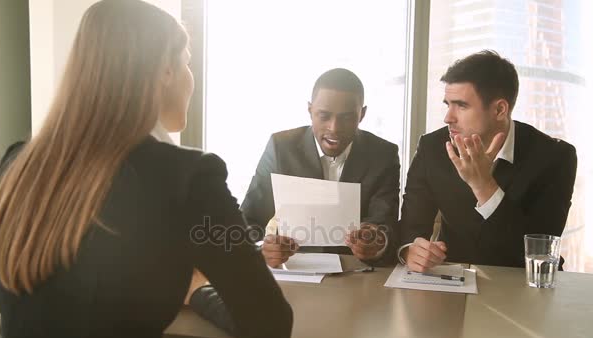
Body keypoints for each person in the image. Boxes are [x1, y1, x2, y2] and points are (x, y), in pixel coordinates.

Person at [0, 1, 292, 338]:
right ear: (165, 71)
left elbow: (10, 296)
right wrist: (197, 291)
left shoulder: (20, 162)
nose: (192, 79)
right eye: (187, 63)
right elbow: (270, 322)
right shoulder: (189, 178)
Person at [398, 50, 577, 272]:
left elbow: (539, 251)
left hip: (525, 285)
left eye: (461, 105)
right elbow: (411, 226)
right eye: (447, 104)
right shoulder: (432, 148)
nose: (448, 118)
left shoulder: (555, 157)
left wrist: (484, 185)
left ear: (500, 109)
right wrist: (410, 249)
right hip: (453, 277)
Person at [241, 68, 401, 267]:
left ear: (362, 114)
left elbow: (385, 223)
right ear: (310, 111)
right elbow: (249, 218)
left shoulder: (383, 155)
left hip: (358, 271)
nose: (334, 128)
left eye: (347, 117)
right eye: (324, 116)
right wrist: (260, 248)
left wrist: (376, 244)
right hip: (295, 268)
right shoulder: (281, 147)